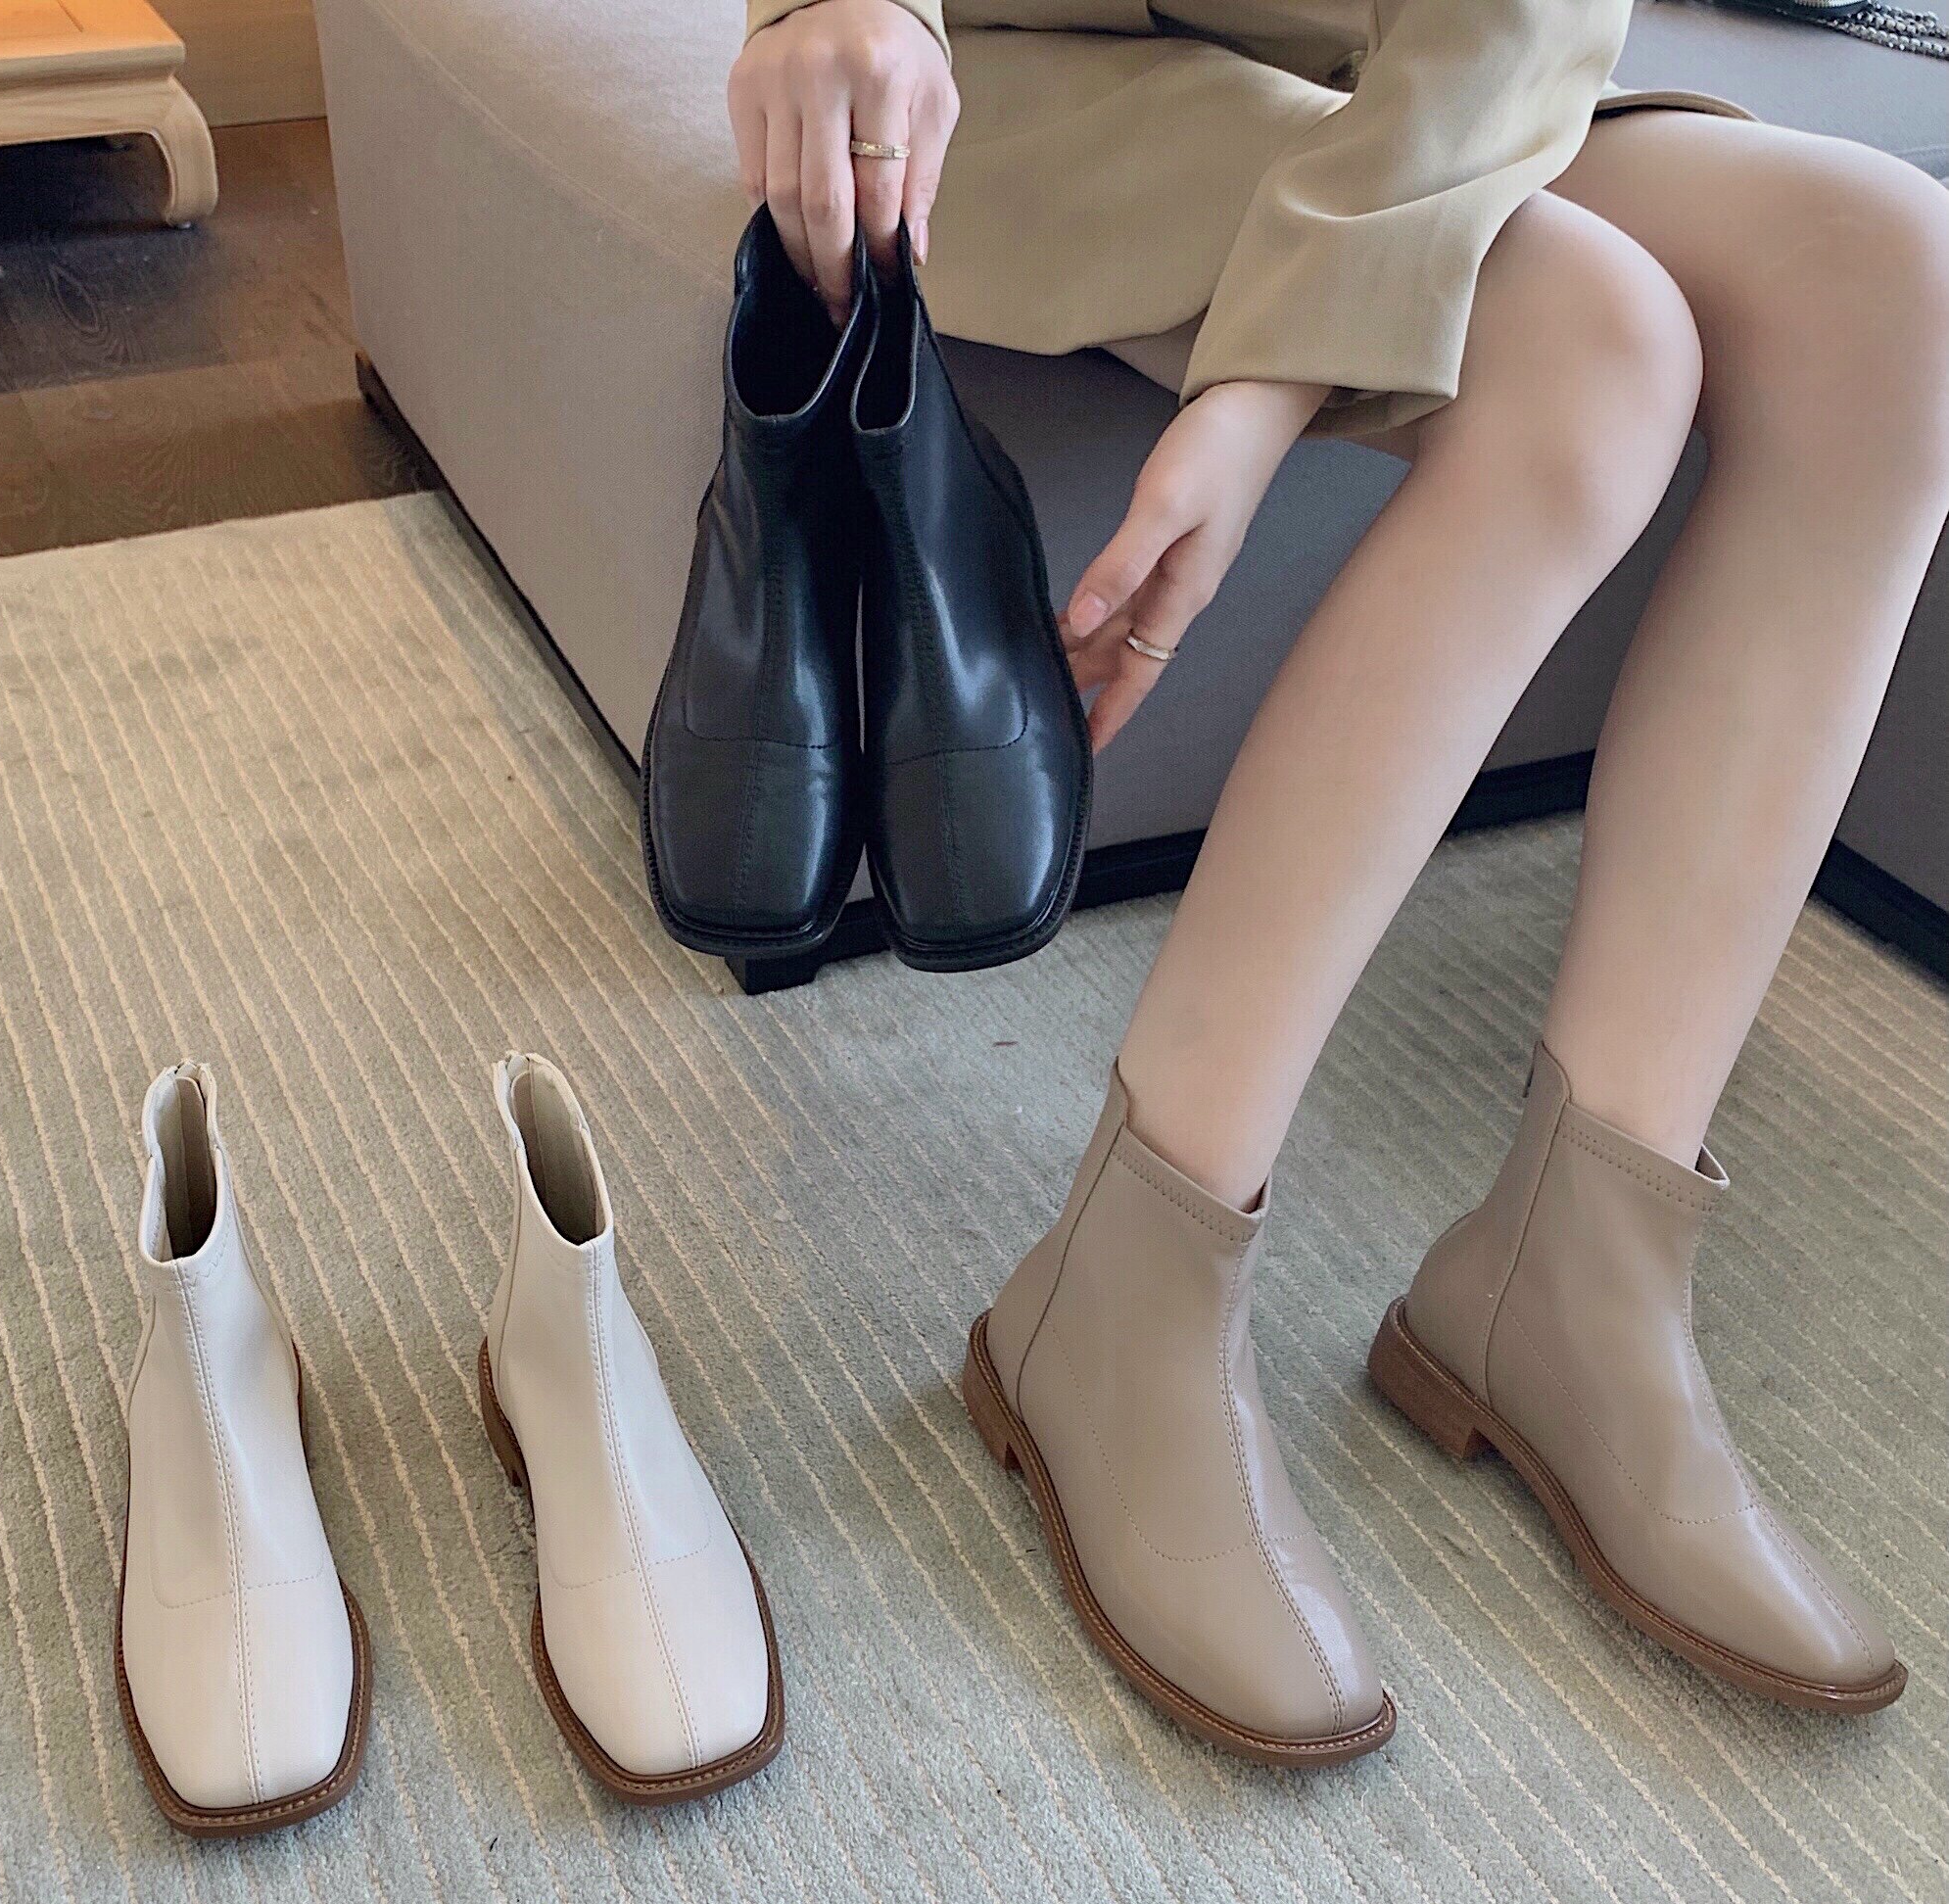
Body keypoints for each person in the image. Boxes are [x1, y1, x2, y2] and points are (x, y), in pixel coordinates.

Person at [730, 0, 1945, 1758]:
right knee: (1594, 348)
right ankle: (1127, 1282)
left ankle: (1584, 1271)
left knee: (1896, 284)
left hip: (1407, 71)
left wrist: (1263, 390)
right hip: (1008, 69)